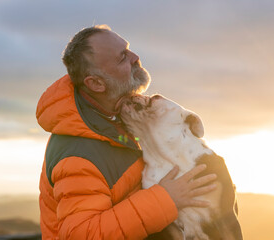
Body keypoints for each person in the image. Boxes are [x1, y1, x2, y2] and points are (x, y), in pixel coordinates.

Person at [37, 24, 217, 240]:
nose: (135, 57)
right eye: (122, 57)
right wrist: (166, 199)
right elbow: (82, 234)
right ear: (96, 83)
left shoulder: (119, 114)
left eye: (128, 48)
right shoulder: (78, 155)